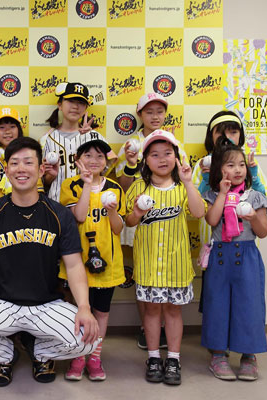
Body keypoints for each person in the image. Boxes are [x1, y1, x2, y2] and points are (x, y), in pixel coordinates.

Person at [0, 137, 100, 387]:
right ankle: (5, 356)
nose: (21, 169)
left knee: (88, 340)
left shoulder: (59, 214)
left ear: (41, 169)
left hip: (45, 303)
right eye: (14, 163)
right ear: (6, 170)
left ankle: (40, 353)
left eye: (28, 162)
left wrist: (84, 308)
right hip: (1, 301)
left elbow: (75, 265)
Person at [125, 130, 206, 386]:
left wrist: (190, 182)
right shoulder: (139, 187)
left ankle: (173, 358)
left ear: (176, 157)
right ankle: (152, 357)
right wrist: (137, 211)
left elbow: (198, 211)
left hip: (177, 265)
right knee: (151, 312)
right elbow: (128, 220)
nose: (162, 159)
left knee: (173, 312)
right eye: (155, 154)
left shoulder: (183, 186)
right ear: (145, 160)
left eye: (167, 153)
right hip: (149, 264)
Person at [201, 137, 267, 381]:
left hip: (247, 256)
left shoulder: (256, 196)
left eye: (241, 164)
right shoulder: (212, 194)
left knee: (249, 306)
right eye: (230, 165)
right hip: (220, 256)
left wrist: (253, 217)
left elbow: (263, 232)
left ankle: (249, 356)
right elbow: (211, 221)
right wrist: (222, 193)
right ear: (219, 168)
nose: (238, 170)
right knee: (217, 305)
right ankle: (218, 355)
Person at [192, 111, 267, 313]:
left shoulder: (248, 162)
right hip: (214, 243)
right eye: (220, 133)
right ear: (211, 137)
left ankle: (239, 337)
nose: (227, 137)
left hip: (245, 243)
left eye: (233, 132)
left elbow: (264, 195)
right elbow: (195, 203)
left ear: (241, 136)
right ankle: (217, 337)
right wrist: (205, 180)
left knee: (244, 298)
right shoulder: (203, 164)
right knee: (215, 297)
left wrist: (253, 174)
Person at [60, 140, 126, 381]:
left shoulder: (115, 188)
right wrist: (87, 184)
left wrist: (112, 210)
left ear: (106, 161)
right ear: (78, 160)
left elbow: (118, 229)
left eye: (99, 156)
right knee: (78, 310)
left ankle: (95, 358)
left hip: (107, 261)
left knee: (101, 312)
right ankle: (78, 357)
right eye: (87, 156)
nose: (94, 161)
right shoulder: (71, 185)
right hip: (77, 262)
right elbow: (78, 216)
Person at [115, 92, 172, 351]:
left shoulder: (173, 142)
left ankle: (163, 327)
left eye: (159, 111)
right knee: (144, 273)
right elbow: (121, 185)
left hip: (169, 219)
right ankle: (146, 327)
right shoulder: (131, 144)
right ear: (140, 115)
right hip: (138, 216)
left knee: (167, 272)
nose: (155, 116)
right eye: (149, 111)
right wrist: (129, 164)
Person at [40, 82, 115, 202]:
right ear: (60, 104)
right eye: (71, 101)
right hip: (56, 202)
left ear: (86, 108)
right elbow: (43, 182)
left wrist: (90, 137)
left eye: (80, 103)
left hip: (88, 204)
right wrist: (51, 175)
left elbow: (111, 160)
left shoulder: (95, 136)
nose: (75, 106)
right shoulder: (47, 139)